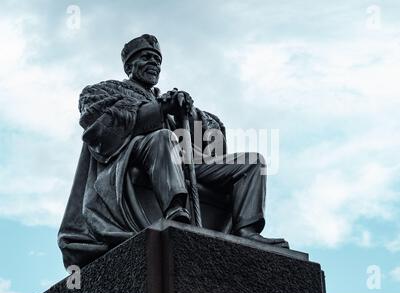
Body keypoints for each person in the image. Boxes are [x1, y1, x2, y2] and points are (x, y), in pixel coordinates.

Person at [58, 34, 288, 268]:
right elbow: (102, 126)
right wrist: (158, 109)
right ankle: (175, 211)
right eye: (146, 58)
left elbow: (209, 131)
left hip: (184, 161)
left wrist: (190, 111)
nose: (153, 64)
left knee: (252, 162)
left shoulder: (165, 97)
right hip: (132, 159)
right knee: (163, 137)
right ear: (129, 66)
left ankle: (247, 229)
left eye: (157, 60)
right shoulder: (106, 90)